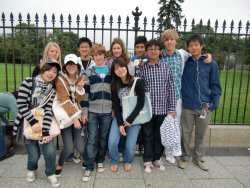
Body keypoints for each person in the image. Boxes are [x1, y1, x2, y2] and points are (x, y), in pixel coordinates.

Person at [160, 29, 212, 164]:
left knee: (175, 125)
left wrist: (208, 55)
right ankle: (162, 150)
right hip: (161, 97)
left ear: (176, 41)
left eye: (172, 39)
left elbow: (197, 55)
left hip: (176, 97)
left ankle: (172, 152)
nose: (170, 42)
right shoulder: (160, 55)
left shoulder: (182, 54)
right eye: (167, 39)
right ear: (164, 42)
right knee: (163, 125)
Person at [13, 59, 61, 187]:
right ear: (42, 69)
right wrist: (33, 122)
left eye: (55, 72)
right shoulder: (29, 82)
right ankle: (31, 169)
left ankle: (50, 173)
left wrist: (45, 132)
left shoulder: (52, 89)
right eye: (48, 70)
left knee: (50, 152)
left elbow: (48, 111)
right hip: (28, 124)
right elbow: (21, 104)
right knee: (34, 155)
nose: (51, 73)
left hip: (44, 123)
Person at [178, 34, 221, 171]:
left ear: (201, 46)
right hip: (187, 105)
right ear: (188, 48)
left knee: (201, 133)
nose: (194, 47)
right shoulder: (185, 63)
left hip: (204, 105)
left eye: (196, 45)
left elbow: (215, 84)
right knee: (186, 132)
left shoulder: (211, 64)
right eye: (191, 45)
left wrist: (215, 102)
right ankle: (185, 157)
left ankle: (199, 158)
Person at [137, 39, 176, 173]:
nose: (153, 51)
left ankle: (157, 158)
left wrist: (172, 109)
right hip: (147, 109)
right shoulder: (142, 68)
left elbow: (171, 89)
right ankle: (147, 160)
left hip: (162, 109)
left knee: (159, 135)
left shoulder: (166, 67)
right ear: (147, 52)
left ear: (160, 51)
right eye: (150, 49)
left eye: (156, 49)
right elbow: (138, 90)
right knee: (147, 134)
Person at [108, 57, 145, 172]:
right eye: (116, 69)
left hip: (134, 117)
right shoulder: (114, 84)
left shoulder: (136, 81)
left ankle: (128, 160)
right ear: (114, 72)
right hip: (120, 116)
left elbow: (141, 103)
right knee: (112, 142)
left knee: (130, 146)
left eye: (121, 67)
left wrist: (130, 120)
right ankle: (114, 160)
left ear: (126, 67)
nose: (120, 70)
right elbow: (116, 106)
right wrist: (120, 124)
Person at [81, 44, 112, 182]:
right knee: (92, 138)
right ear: (92, 56)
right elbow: (85, 95)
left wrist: (113, 110)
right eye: (96, 55)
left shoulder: (111, 72)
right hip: (92, 111)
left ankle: (100, 160)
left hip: (107, 111)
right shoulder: (88, 73)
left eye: (101, 54)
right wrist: (85, 112)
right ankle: (89, 165)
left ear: (104, 56)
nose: (98, 57)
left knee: (103, 137)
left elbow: (115, 93)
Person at [55, 54, 86, 176]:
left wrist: (79, 88)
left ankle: (87, 160)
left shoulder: (80, 78)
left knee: (81, 147)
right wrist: (74, 120)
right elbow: (64, 101)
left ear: (77, 66)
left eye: (73, 64)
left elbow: (79, 100)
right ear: (65, 66)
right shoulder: (60, 80)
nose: (71, 66)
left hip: (77, 115)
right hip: (66, 116)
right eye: (69, 64)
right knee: (68, 148)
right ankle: (60, 163)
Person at [131, 36, 148, 155]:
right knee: (137, 119)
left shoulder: (150, 58)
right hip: (136, 94)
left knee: (146, 121)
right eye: (137, 47)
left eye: (142, 47)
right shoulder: (134, 59)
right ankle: (138, 144)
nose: (140, 49)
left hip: (148, 93)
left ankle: (145, 145)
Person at [0, 92, 18, 161]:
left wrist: (7, 122)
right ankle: (2, 154)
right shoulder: (12, 100)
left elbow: (0, 113)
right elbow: (16, 116)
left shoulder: (6, 97)